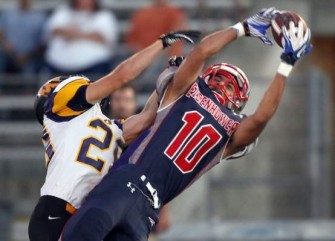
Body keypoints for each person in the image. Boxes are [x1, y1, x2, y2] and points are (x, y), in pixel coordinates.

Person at [61, 7, 312, 241]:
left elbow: (261, 117)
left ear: (239, 99)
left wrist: (283, 62)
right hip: (126, 186)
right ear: (207, 78)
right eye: (220, 79)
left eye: (230, 86)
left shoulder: (232, 128)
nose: (221, 87)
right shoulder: (186, 91)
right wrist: (243, 28)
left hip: (147, 207)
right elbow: (201, 52)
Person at [28, 30, 199, 241]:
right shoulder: (60, 108)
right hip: (58, 210)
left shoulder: (108, 127)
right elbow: (121, 77)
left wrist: (169, 76)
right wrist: (161, 43)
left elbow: (148, 117)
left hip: (88, 216)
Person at [42, 0, 119, 80]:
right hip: (57, 65)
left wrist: (74, 34)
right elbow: (53, 29)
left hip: (92, 65)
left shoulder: (104, 15)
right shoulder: (63, 11)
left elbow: (103, 36)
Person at [0, 0, 46, 74]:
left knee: (29, 70)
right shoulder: (7, 14)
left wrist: (26, 55)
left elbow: (41, 42)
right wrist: (5, 44)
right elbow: (1, 32)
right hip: (7, 53)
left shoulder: (39, 18)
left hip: (29, 56)